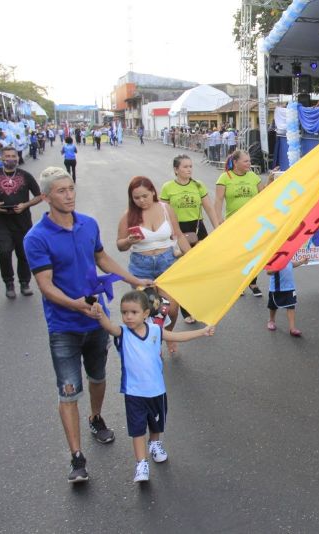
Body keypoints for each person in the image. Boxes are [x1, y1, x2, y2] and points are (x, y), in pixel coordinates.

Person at [23, 166, 152, 483]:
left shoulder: (88, 225)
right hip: (64, 326)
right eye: (60, 191)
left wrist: (135, 280)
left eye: (71, 189)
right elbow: (46, 285)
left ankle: (95, 417)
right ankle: (77, 458)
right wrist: (76, 305)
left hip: (96, 320)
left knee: (98, 377)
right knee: (68, 392)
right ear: (45, 197)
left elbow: (103, 259)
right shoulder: (36, 238)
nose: (69, 195)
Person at [94, 290, 215, 482]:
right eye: (124, 312)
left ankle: (155, 443)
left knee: (156, 424)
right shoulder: (123, 333)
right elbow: (109, 327)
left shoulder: (156, 331)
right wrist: (100, 314)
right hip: (134, 392)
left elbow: (177, 337)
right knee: (137, 429)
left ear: (146, 314)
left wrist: (202, 331)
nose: (128, 316)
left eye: (133, 312)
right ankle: (141, 463)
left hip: (157, 390)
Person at [116, 176, 191, 354]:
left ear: (153, 192)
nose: (141, 201)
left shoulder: (166, 209)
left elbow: (179, 235)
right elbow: (119, 245)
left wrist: (191, 256)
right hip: (141, 267)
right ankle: (153, 343)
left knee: (171, 309)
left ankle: (168, 335)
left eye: (145, 196)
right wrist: (128, 240)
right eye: (136, 198)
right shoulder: (128, 215)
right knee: (149, 309)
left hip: (167, 263)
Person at [160, 154, 221, 323]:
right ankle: (186, 311)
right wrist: (168, 234)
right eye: (185, 167)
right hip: (178, 231)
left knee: (201, 271)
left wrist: (217, 229)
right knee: (185, 272)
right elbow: (163, 213)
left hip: (197, 229)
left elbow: (209, 208)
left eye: (190, 166)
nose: (189, 170)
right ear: (176, 170)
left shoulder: (198, 185)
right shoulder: (168, 188)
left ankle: (201, 306)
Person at [215, 150, 265, 296]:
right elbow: (218, 200)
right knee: (237, 255)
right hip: (234, 223)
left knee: (253, 254)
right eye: (246, 161)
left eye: (249, 161)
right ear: (235, 163)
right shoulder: (225, 177)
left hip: (253, 223)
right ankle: (238, 283)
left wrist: (270, 180)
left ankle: (253, 282)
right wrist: (218, 220)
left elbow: (265, 194)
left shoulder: (253, 176)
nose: (249, 164)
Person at [0, 146, 44, 298]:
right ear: (1, 158)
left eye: (13, 156)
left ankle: (24, 283)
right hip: (2, 223)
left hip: (22, 222)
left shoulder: (25, 176)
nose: (10, 159)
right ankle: (9, 283)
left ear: (17, 158)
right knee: (4, 252)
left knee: (23, 254)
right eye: (7, 156)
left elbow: (39, 196)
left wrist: (25, 205)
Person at [266, 255, 308, 336]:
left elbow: (291, 264)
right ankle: (271, 320)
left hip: (289, 287)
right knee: (273, 306)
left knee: (291, 306)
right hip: (276, 288)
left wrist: (302, 261)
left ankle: (292, 328)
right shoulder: (274, 257)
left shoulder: (287, 256)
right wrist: (277, 267)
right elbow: (268, 272)